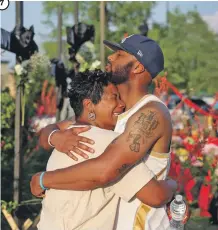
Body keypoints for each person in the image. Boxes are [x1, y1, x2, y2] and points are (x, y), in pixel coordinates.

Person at [31, 35, 188, 229]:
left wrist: (44, 179)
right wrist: (55, 137)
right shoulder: (113, 110)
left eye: (119, 54)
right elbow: (51, 132)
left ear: (138, 67)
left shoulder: (150, 114)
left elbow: (105, 171)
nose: (111, 58)